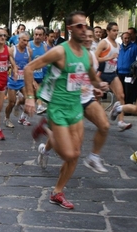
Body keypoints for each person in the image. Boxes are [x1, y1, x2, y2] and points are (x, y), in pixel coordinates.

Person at [24, 11, 108, 210]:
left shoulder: (87, 55)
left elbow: (91, 77)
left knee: (76, 153)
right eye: (79, 26)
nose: (83, 29)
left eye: (85, 25)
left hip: (75, 108)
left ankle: (57, 192)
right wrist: (30, 99)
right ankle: (47, 129)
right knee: (69, 155)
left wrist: (99, 85)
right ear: (70, 29)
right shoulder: (60, 52)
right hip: (58, 108)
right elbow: (29, 68)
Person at [36, 26, 110, 174]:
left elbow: (89, 78)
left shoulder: (92, 57)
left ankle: (93, 157)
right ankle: (45, 149)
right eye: (86, 36)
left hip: (86, 99)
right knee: (63, 142)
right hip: (67, 102)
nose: (88, 38)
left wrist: (97, 86)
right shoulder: (65, 54)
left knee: (105, 126)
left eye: (91, 36)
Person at [95, 22, 131, 131]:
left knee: (121, 95)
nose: (116, 33)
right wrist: (108, 58)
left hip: (112, 73)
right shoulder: (103, 43)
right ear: (108, 31)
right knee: (97, 97)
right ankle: (101, 119)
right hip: (101, 73)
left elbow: (115, 60)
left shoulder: (118, 45)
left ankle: (121, 121)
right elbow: (94, 58)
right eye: (114, 30)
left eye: (117, 31)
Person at [4, 31, 32, 127]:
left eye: (27, 41)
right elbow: (8, 62)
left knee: (27, 98)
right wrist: (13, 67)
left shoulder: (29, 51)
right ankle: (7, 118)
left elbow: (29, 66)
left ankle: (18, 104)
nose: (25, 43)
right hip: (13, 80)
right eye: (23, 40)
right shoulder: (12, 49)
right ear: (19, 39)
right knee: (11, 102)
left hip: (23, 80)